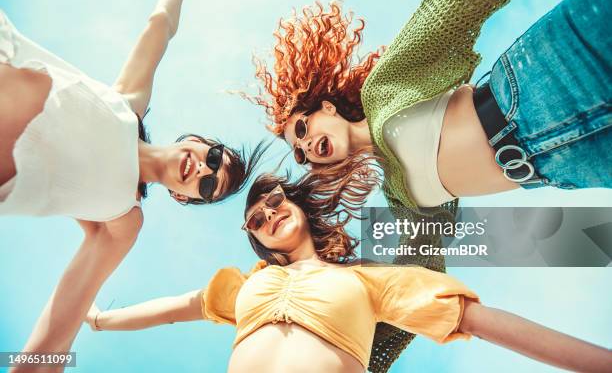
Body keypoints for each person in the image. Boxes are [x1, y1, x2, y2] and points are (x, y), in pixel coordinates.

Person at [0, 0, 265, 366]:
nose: (205, 171)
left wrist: (31, 365)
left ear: (182, 196)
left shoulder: (121, 221)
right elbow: (159, 29)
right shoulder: (127, 104)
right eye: (214, 157)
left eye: (210, 187)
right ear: (195, 140)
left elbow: (64, 315)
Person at [84, 172, 612, 373]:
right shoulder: (245, 286)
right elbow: (174, 310)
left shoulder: (365, 279)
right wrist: (102, 321)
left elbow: (478, 321)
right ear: (256, 241)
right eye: (256, 220)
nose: (268, 215)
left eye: (273, 202)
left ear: (299, 207)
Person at [244, 0, 611, 211]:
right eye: (301, 155)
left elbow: (457, 3)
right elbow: (420, 278)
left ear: (326, 108)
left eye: (302, 129)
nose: (306, 146)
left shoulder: (381, 90)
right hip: (570, 165)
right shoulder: (400, 197)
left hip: (549, 75)